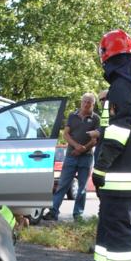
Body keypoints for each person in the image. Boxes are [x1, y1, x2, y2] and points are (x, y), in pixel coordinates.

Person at [84, 30, 131, 261]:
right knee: (108, 218)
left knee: (119, 223)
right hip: (126, 168)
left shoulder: (121, 87)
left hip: (118, 170)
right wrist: (101, 132)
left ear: (107, 55)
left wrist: (101, 166)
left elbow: (121, 131)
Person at [45, 93, 99, 221]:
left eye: (89, 102)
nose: (86, 104)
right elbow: (66, 134)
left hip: (86, 157)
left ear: (93, 104)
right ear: (81, 102)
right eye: (84, 101)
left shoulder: (96, 119)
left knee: (81, 188)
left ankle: (78, 215)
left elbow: (95, 138)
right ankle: (53, 212)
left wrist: (83, 149)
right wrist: (76, 147)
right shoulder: (72, 116)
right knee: (63, 185)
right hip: (70, 156)